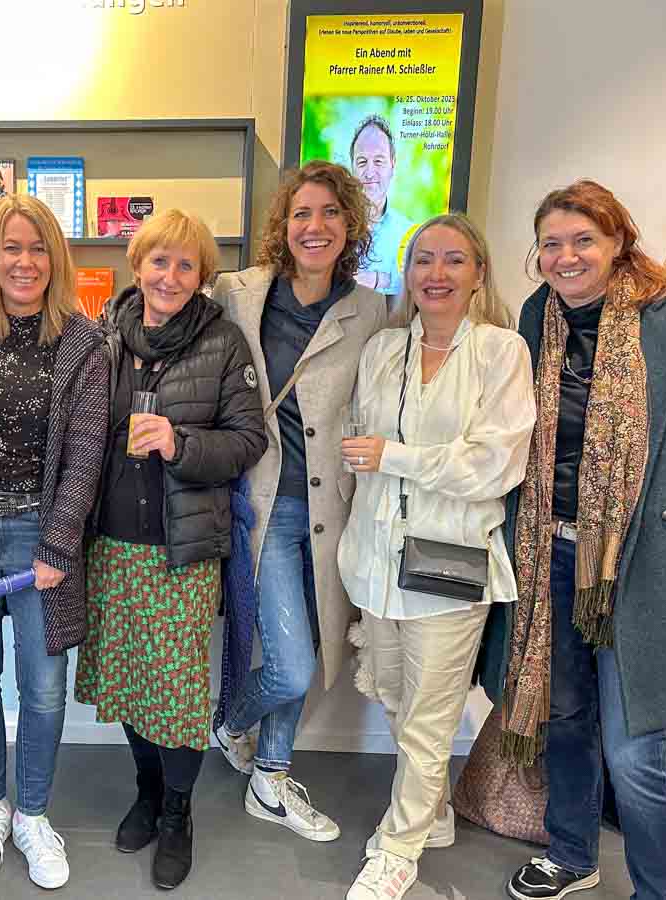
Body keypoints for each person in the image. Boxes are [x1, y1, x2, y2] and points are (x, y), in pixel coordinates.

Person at [478, 180, 666, 900]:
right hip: (547, 554)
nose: (567, 256)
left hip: (641, 563)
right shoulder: (538, 317)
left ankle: (663, 890)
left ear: (619, 241)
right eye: (551, 244)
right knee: (564, 720)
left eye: (583, 240)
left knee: (635, 748)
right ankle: (571, 852)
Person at [337, 214, 536, 900]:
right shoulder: (383, 350)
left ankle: (399, 849)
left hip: (449, 567)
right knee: (394, 694)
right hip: (373, 560)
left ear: (479, 272)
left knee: (429, 717)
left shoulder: (501, 352)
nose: (437, 274)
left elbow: (495, 465)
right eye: (423, 260)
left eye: (454, 260)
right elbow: (357, 445)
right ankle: (435, 814)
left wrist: (396, 458)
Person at [76, 209, 266, 889]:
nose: (171, 276)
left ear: (202, 276)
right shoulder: (104, 335)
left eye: (187, 265)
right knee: (130, 680)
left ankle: (178, 812)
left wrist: (179, 443)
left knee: (178, 694)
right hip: (111, 544)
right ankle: (147, 792)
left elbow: (249, 439)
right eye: (160, 261)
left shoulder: (223, 342)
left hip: (181, 550)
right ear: (138, 265)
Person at [0, 194, 108, 891]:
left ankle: (33, 814)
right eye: (11, 247)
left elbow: (86, 454)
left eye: (38, 248)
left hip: (42, 532)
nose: (25, 262)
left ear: (55, 258)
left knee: (42, 686)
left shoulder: (83, 342)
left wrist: (58, 546)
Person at [212, 161, 386, 841]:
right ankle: (230, 721)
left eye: (331, 213)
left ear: (351, 224)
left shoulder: (370, 310)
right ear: (283, 225)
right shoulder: (239, 293)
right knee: (291, 666)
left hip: (334, 513)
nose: (316, 227)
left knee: (312, 649)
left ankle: (271, 778)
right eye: (302, 213)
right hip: (263, 506)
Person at [349, 115, 414, 298]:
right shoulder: (333, 228)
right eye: (362, 162)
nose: (369, 173)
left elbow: (415, 287)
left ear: (393, 164)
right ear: (352, 167)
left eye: (378, 161)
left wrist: (377, 280)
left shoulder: (408, 233)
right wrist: (382, 279)